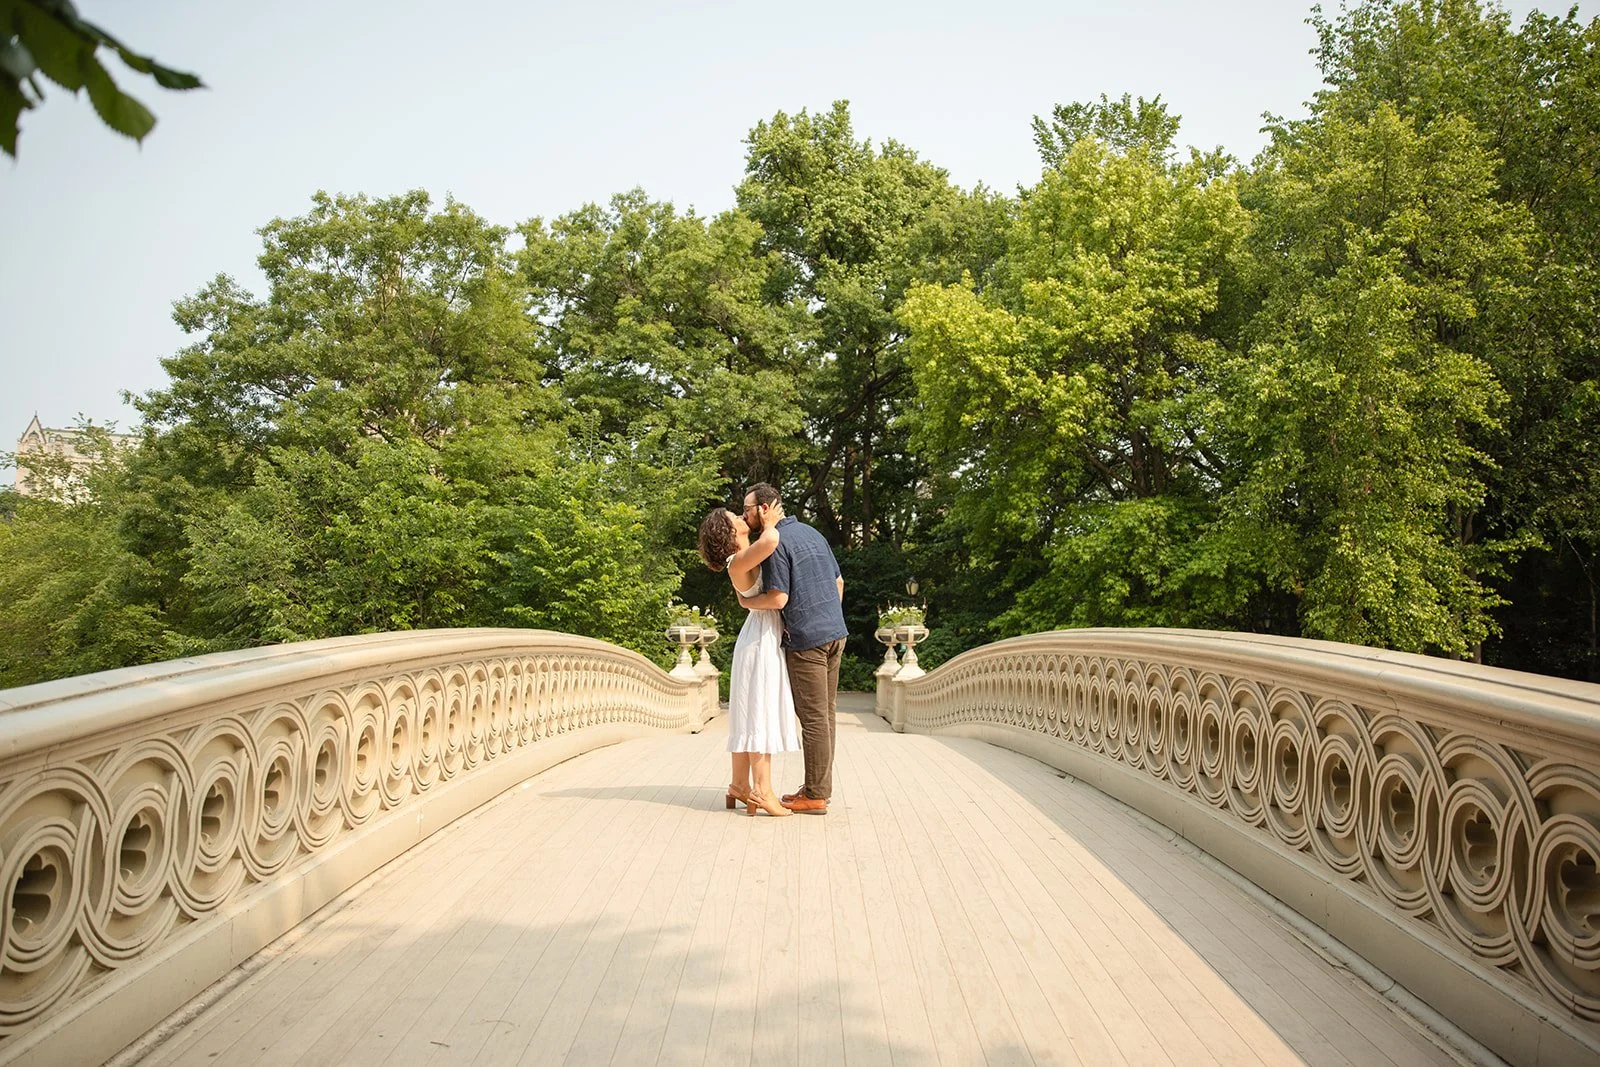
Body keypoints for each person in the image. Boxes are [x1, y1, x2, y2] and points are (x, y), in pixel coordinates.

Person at [736, 483, 847, 814]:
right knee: (825, 715)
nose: (745, 515)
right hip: (835, 632)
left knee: (813, 719)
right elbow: (839, 582)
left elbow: (779, 598)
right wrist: (828, 616)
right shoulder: (813, 533)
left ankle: (814, 794)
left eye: (748, 509)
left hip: (807, 641)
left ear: (766, 508)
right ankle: (819, 788)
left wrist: (746, 601)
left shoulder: (774, 543)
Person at [696, 498, 797, 817]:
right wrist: (771, 520)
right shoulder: (738, 559)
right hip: (760, 641)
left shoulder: (740, 559)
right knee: (760, 712)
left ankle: (739, 785)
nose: (743, 516)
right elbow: (772, 539)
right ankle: (762, 791)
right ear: (729, 531)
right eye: (735, 516)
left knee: (747, 713)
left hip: (757, 635)